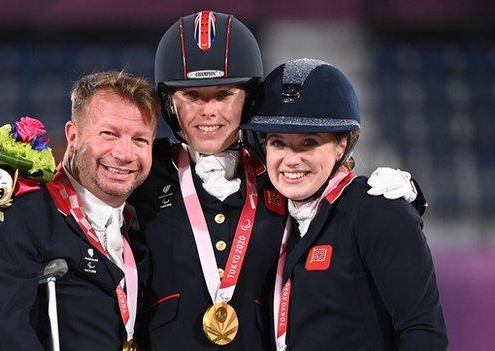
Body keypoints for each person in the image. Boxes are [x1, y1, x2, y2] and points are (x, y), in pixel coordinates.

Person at [129, 11, 423, 351]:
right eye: (192, 96)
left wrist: (408, 198)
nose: (208, 111)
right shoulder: (144, 173)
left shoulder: (280, 176)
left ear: (250, 100)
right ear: (169, 104)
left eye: (224, 94)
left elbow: (349, 215)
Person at [240, 58, 448, 350]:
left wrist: (407, 202)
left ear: (342, 144)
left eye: (309, 142)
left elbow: (423, 331)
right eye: (277, 142)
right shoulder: (271, 214)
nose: (290, 159)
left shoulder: (376, 210)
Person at [0, 71, 160, 350]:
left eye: (140, 140)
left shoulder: (140, 226)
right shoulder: (22, 216)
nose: (125, 153)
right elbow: (7, 336)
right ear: (73, 136)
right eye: (109, 134)